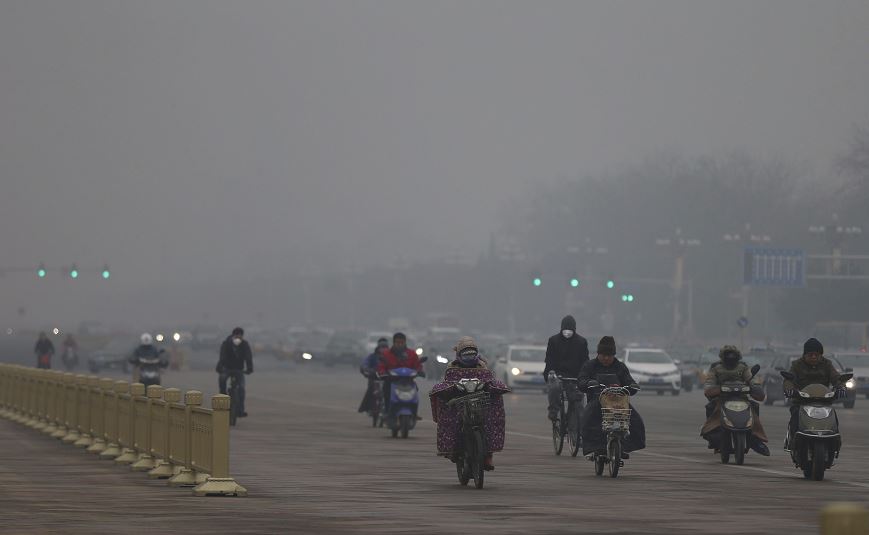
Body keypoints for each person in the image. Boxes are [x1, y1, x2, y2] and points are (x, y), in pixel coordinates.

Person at [429, 336, 510, 470]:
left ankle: (488, 455)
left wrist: (490, 386)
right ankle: (454, 449)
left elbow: (490, 380)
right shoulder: (452, 367)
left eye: (472, 353)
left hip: (480, 402)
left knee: (490, 421)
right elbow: (446, 383)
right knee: (452, 419)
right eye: (466, 353)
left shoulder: (482, 366)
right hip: (459, 403)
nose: (469, 356)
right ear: (459, 354)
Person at [578, 336, 645, 458]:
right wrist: (587, 383)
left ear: (614, 355)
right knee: (588, 419)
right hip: (597, 401)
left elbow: (629, 381)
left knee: (636, 421)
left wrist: (632, 386)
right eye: (603, 355)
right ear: (598, 354)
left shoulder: (620, 367)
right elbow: (581, 381)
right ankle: (596, 447)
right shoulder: (590, 366)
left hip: (619, 402)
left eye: (609, 355)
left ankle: (624, 446)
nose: (606, 358)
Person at [700, 345, 769, 456]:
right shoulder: (715, 368)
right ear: (723, 356)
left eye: (733, 355)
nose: (731, 357)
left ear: (738, 356)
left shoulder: (743, 368)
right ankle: (712, 435)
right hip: (722, 400)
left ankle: (755, 439)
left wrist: (755, 388)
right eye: (728, 355)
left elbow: (752, 381)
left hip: (742, 399)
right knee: (711, 407)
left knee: (754, 407)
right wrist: (714, 390)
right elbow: (709, 385)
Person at [782, 338, 845, 447]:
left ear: (821, 355)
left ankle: (835, 445)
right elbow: (789, 380)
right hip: (801, 402)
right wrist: (790, 390)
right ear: (805, 355)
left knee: (834, 421)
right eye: (810, 354)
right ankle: (793, 444)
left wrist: (841, 388)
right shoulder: (796, 365)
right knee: (795, 420)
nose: (814, 357)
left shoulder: (827, 364)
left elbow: (836, 378)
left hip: (824, 402)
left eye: (817, 354)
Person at [542, 315, 589, 421]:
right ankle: (553, 410)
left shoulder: (581, 342)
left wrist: (585, 376)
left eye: (570, 330)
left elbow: (585, 361)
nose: (567, 333)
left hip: (575, 376)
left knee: (578, 397)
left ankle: (576, 421)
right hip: (559, 375)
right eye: (565, 330)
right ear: (561, 329)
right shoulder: (553, 341)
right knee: (554, 388)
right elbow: (549, 359)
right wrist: (549, 374)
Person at [376, 332, 423, 413]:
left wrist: (419, 371)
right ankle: (387, 412)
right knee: (386, 390)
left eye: (402, 342)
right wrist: (382, 372)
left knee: (415, 390)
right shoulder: (386, 354)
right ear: (394, 343)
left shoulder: (412, 354)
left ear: (405, 342)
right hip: (391, 380)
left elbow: (417, 365)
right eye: (398, 342)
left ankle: (414, 412)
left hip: (408, 380)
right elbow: (381, 366)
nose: (400, 344)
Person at [216, 327, 254, 417]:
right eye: (236, 336)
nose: (238, 338)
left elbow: (248, 357)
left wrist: (249, 368)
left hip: (239, 370)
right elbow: (222, 357)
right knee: (222, 379)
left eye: (240, 337)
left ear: (242, 336)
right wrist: (220, 367)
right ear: (233, 336)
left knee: (241, 388)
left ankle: (240, 410)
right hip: (227, 368)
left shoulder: (245, 344)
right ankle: (223, 398)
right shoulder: (226, 344)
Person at [358, 337, 389, 413]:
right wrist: (366, 369)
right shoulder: (372, 356)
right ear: (378, 347)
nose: (383, 349)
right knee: (371, 390)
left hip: (387, 379)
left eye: (385, 347)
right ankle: (367, 407)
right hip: (375, 378)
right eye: (382, 347)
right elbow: (365, 363)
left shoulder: (391, 357)